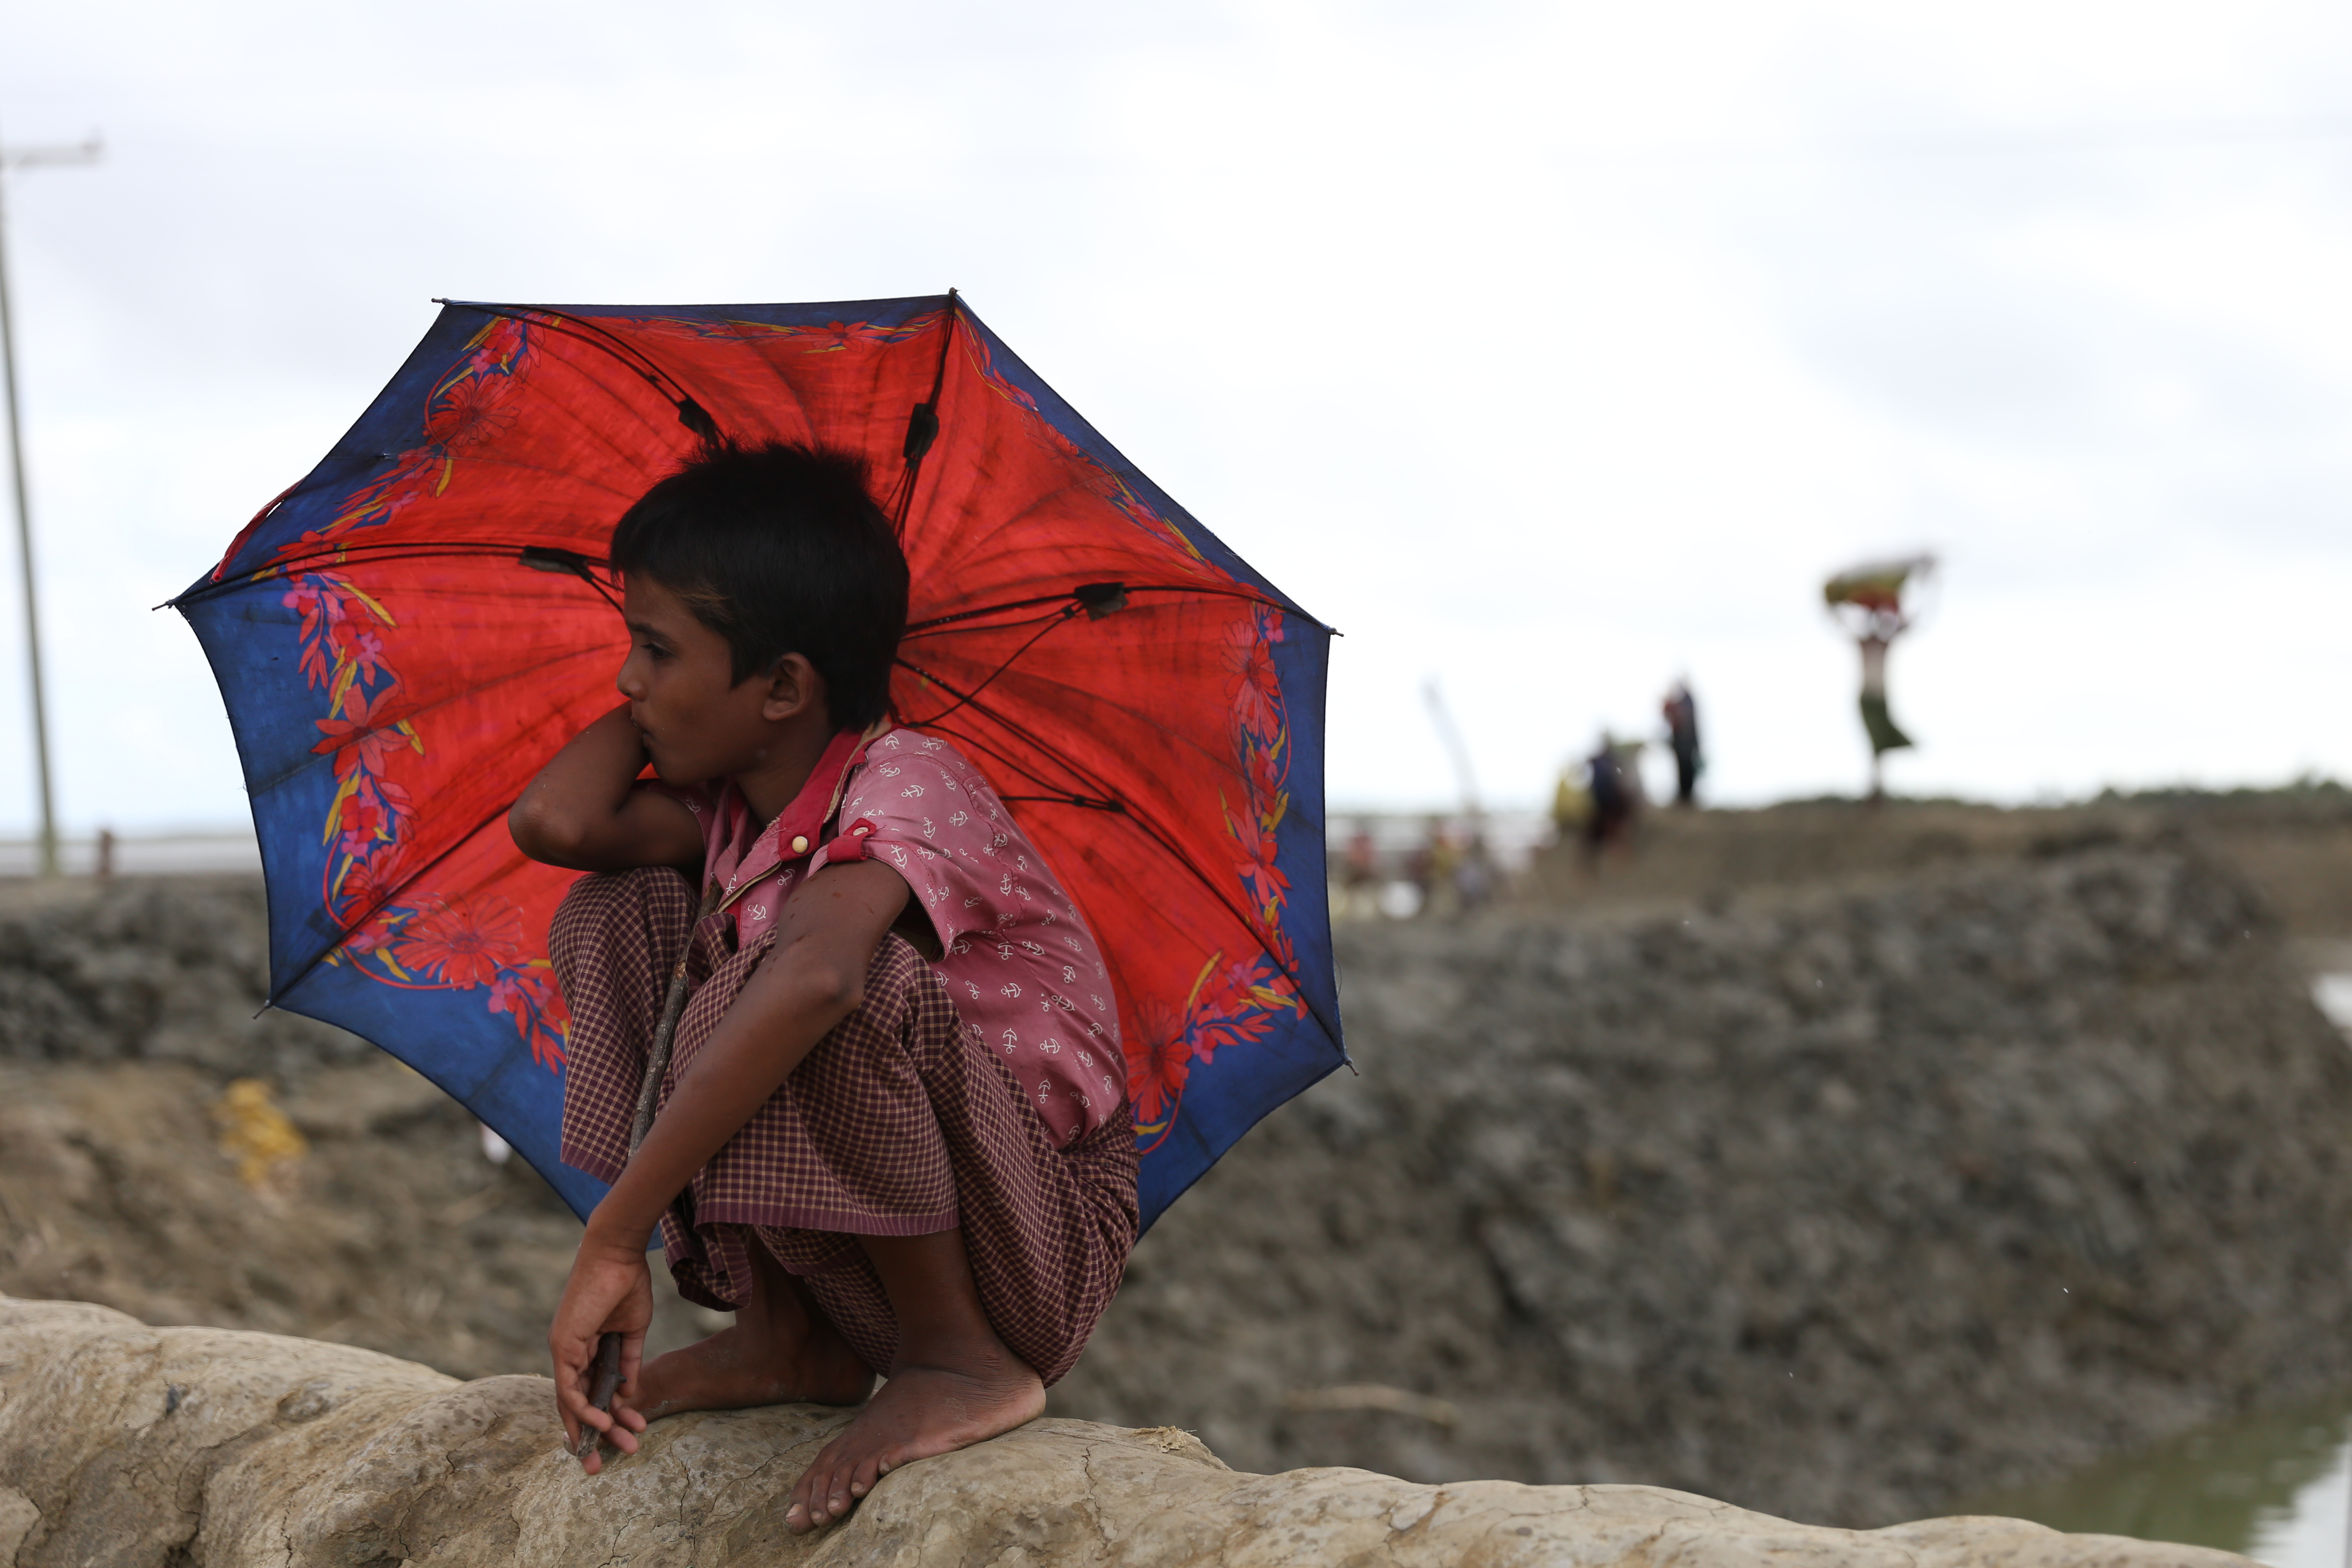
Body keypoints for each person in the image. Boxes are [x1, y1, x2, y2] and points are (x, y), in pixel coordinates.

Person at [508, 441, 1138, 1534]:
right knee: (619, 912)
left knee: (810, 986)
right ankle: (789, 1337)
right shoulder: (731, 814)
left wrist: (613, 1239)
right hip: (871, 1245)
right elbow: (557, 825)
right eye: (629, 646)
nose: (626, 681)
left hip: (1032, 1238)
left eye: (653, 649)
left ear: (786, 685)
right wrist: (667, 699)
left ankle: (960, 1362)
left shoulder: (909, 781)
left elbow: (817, 978)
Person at [1661, 680, 1702, 807]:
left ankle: (1687, 798)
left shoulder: (1686, 703)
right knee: (1684, 771)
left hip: (1686, 744)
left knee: (1687, 771)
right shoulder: (1682, 703)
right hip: (1682, 744)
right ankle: (1685, 798)